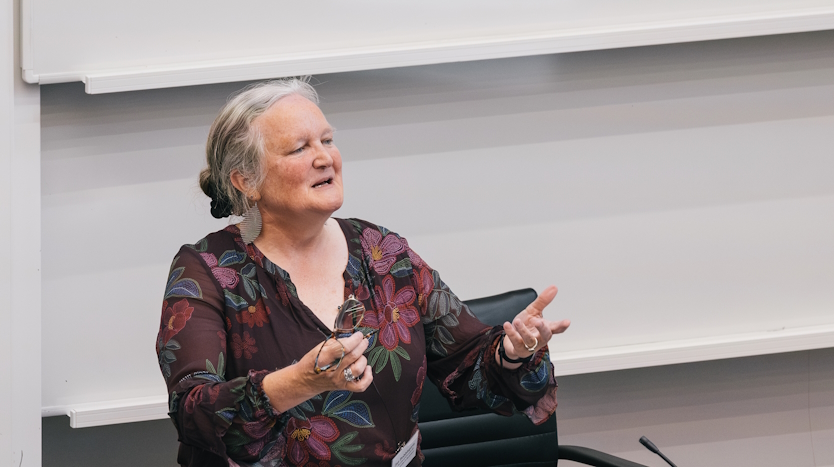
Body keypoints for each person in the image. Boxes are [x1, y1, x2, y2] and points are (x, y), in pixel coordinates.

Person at [156, 78, 571, 467]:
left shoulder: (382, 252)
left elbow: (467, 361)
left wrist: (511, 352)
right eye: (299, 148)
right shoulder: (207, 270)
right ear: (246, 180)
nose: (324, 157)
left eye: (327, 140)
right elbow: (195, 410)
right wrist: (301, 381)